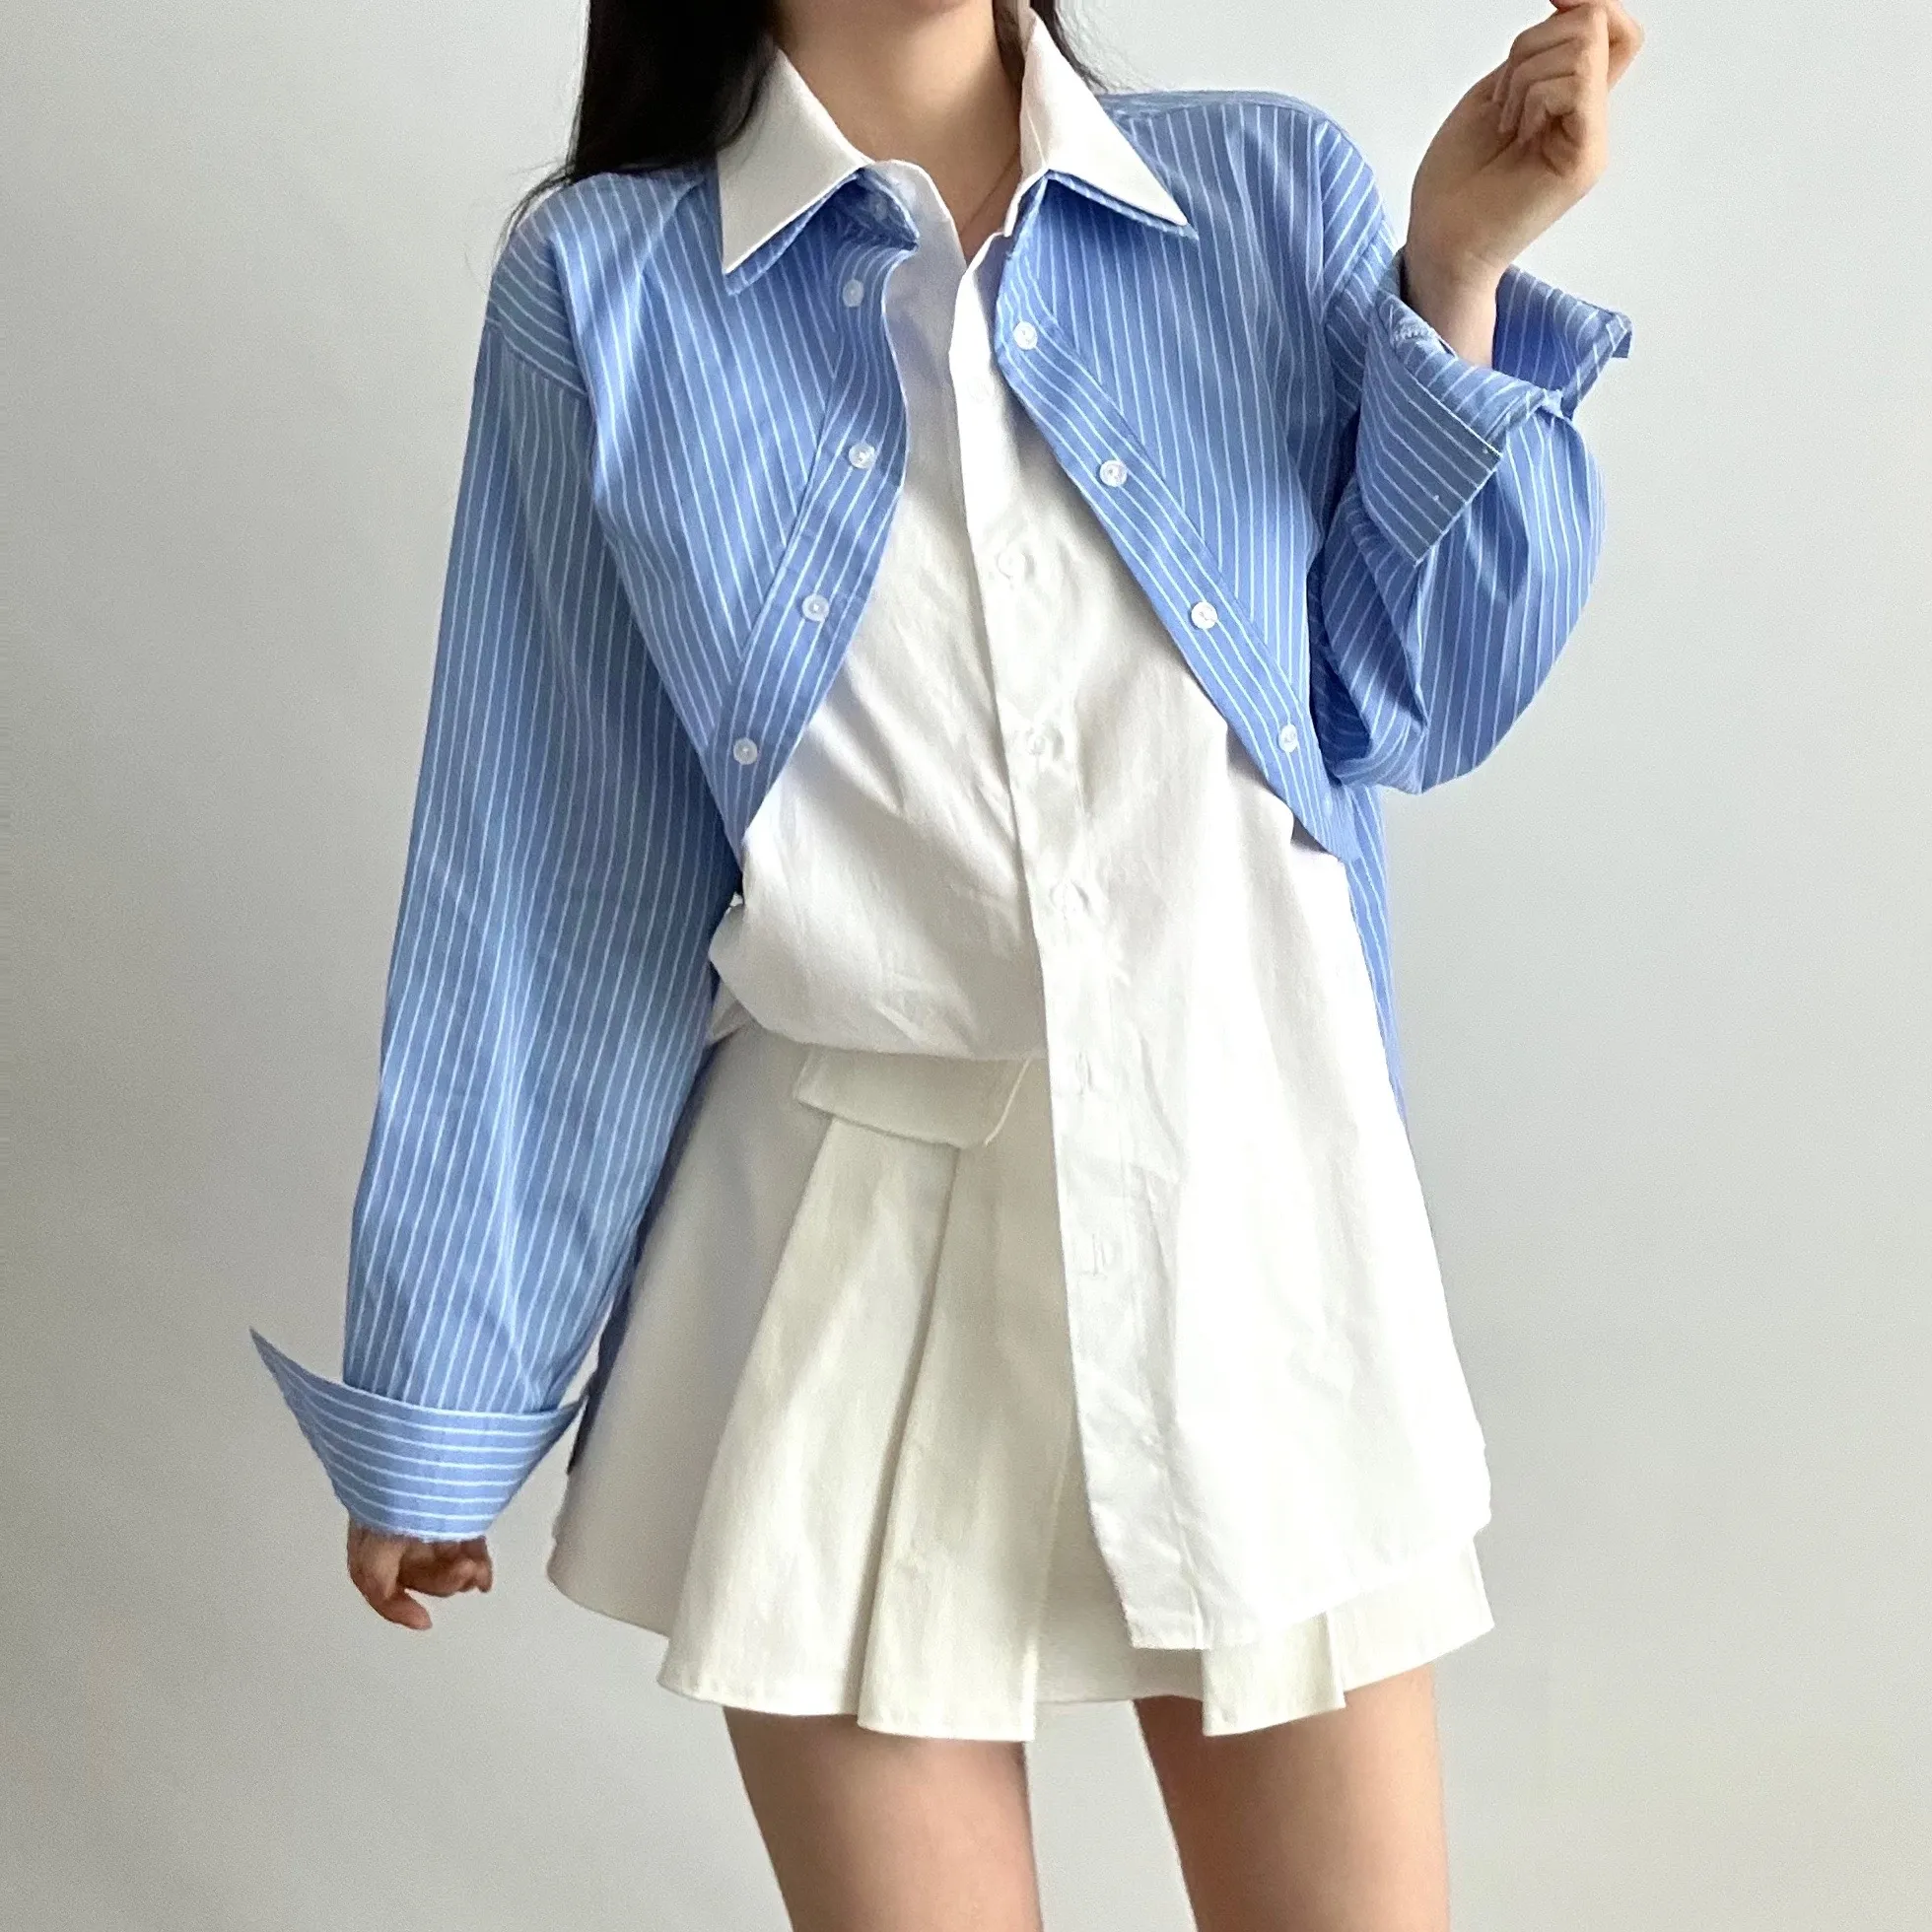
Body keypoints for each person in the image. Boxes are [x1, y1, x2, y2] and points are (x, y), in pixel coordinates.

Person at [250, 1, 1642, 1923]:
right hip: (838, 1263)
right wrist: (446, 1383)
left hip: (1252, 1226)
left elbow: (1417, 695)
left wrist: (1455, 276)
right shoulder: (603, 286)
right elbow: (552, 867)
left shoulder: (1263, 192)